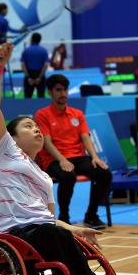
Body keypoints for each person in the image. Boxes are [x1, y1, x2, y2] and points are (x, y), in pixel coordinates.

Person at [0, 41, 110, 275]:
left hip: (39, 235)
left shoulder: (43, 176)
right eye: (28, 127)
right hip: (10, 235)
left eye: (38, 127)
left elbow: (47, 219)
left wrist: (77, 231)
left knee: (59, 232)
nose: (37, 130)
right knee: (53, 233)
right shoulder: (3, 152)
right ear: (12, 137)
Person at [35, 74, 112, 229]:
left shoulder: (77, 114)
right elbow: (47, 143)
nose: (63, 94)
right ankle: (64, 217)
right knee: (68, 176)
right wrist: (62, 160)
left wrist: (94, 157)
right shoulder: (42, 115)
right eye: (58, 90)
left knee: (104, 173)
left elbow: (85, 137)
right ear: (51, 92)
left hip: (77, 156)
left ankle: (91, 215)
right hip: (53, 159)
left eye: (65, 90)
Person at [21, 32, 50, 99]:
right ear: (40, 40)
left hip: (29, 74)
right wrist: (39, 77)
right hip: (40, 74)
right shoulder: (43, 51)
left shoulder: (26, 50)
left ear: (31, 39)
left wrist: (28, 77)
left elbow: (23, 65)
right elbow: (45, 65)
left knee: (27, 98)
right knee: (41, 97)